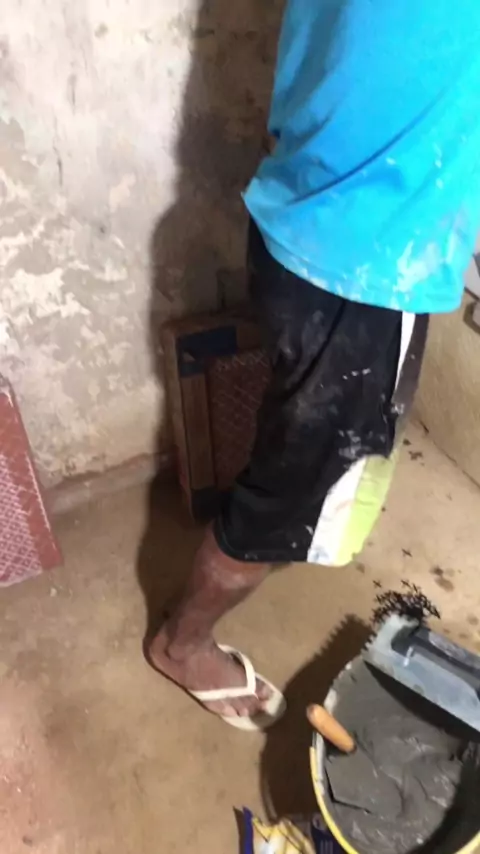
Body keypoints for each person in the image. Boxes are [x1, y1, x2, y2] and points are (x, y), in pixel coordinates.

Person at [149, 0, 480, 729]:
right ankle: (182, 644)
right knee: (290, 495)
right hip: (367, 264)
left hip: (299, 204)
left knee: (291, 459)